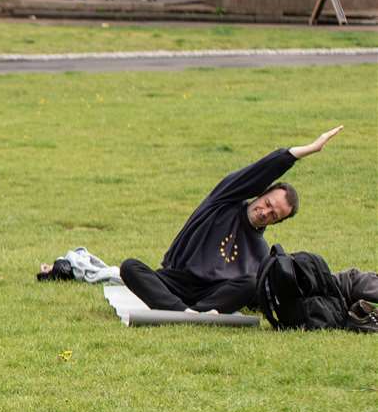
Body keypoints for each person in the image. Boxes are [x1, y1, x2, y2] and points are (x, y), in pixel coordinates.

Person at [119, 126, 342, 313]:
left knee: (253, 283)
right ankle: (185, 313)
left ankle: (192, 314)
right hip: (175, 282)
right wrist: (306, 150)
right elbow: (260, 171)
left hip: (213, 295)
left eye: (274, 215)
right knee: (130, 267)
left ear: (276, 223)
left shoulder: (260, 251)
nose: (265, 212)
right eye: (267, 204)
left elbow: (260, 296)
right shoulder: (222, 203)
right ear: (260, 194)